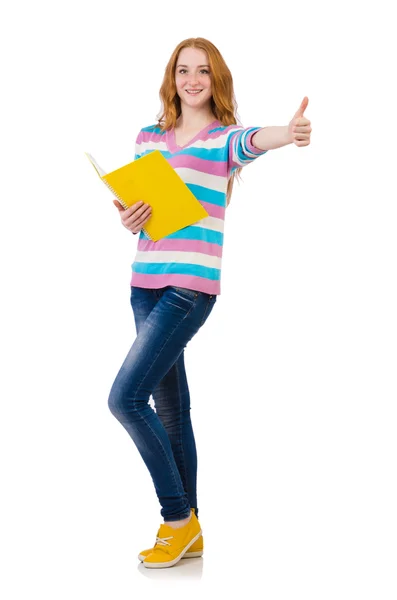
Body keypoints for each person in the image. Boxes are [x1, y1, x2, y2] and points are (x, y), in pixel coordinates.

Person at [108, 37, 312, 569]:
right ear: (172, 79)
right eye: (183, 71)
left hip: (189, 288)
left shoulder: (223, 139)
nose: (191, 79)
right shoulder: (148, 137)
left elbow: (256, 138)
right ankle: (192, 529)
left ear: (215, 80)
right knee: (170, 411)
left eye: (202, 71)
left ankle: (175, 519)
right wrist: (130, 216)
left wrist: (288, 134)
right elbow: (144, 212)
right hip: (144, 280)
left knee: (125, 399)